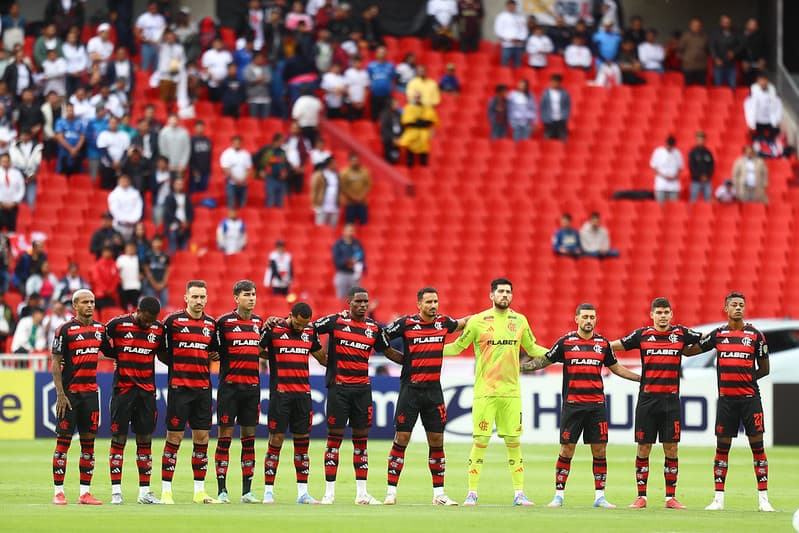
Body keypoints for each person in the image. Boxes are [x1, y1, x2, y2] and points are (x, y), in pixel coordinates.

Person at [522, 303, 640, 509]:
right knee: (567, 449)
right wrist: (519, 367)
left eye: (592, 317)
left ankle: (600, 496)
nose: (588, 320)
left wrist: (640, 378)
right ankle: (558, 495)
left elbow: (617, 368)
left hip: (596, 407)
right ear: (576, 319)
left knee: (600, 450)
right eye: (585, 317)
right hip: (573, 406)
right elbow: (543, 361)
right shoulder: (566, 342)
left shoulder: (603, 344)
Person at [443, 278, 548, 506]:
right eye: (500, 291)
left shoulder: (519, 321)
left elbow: (532, 349)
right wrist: (429, 349)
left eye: (508, 292)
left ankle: (519, 494)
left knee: (513, 442)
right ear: (491, 295)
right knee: (480, 441)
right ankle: (472, 493)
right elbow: (457, 346)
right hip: (485, 392)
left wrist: (558, 353)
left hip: (511, 392)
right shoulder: (478, 321)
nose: (505, 295)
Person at [683, 292, 774, 512]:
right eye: (734, 304)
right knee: (722, 447)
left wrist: (745, 381)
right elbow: (690, 352)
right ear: (725, 308)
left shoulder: (755, 335)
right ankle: (718, 499)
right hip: (726, 402)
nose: (738, 308)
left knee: (758, 447)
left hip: (750, 400)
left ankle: (763, 500)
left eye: (741, 305)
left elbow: (764, 368)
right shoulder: (718, 334)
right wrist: (679, 339)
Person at [609, 297, 702, 509]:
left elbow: (704, 341)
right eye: (658, 312)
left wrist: (692, 349)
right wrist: (596, 347)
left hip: (670, 401)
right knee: (644, 447)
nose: (662, 316)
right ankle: (641, 496)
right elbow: (614, 346)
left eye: (666, 312)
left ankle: (670, 497)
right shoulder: (642, 335)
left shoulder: (680, 333)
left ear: (671, 315)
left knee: (671, 448)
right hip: (647, 400)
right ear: (652, 315)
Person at [313, 286, 400, 505]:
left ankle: (362, 494)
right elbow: (309, 329)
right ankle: (329, 493)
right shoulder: (335, 321)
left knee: (361, 442)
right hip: (339, 389)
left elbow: (388, 351)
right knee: (334, 441)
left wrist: (412, 362)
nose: (362, 305)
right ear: (348, 303)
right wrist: (320, 356)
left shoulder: (373, 328)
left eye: (365, 302)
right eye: (358, 302)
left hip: (362, 390)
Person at [382, 287, 469, 506]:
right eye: (429, 302)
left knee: (437, 441)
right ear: (418, 304)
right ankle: (391, 492)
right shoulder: (406, 323)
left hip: (433, 391)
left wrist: (486, 316)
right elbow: (380, 337)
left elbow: (461, 323)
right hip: (410, 390)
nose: (433, 305)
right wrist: (399, 358)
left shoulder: (443, 322)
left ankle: (439, 493)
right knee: (401, 438)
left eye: (436, 301)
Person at [259, 301, 328, 504]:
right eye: (297, 324)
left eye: (304, 325)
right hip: (281, 395)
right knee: (275, 442)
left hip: (303, 396)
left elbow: (322, 358)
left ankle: (302, 493)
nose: (300, 328)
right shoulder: (274, 330)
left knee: (302, 445)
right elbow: (256, 350)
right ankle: (268, 492)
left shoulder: (309, 332)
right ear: (290, 315)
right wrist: (273, 355)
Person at [159, 280, 220, 505]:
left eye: (202, 297)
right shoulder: (172, 322)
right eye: (194, 296)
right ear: (186, 298)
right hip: (179, 389)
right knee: (174, 437)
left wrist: (214, 355)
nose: (198, 301)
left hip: (203, 390)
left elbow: (214, 351)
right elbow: (162, 353)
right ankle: (166, 491)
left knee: (202, 438)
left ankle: (199, 492)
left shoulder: (212, 324)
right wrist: (179, 367)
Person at [103, 297, 165, 505]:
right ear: (138, 311)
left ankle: (144, 492)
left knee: (145, 440)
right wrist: (116, 354)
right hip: (123, 391)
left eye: (152, 320)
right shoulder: (118, 324)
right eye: (146, 319)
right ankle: (116, 492)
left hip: (146, 392)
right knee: (118, 439)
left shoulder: (158, 329)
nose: (149, 324)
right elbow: (100, 339)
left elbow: (164, 353)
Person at [51, 289, 106, 505]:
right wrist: (60, 394)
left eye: (92, 301)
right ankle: (58, 492)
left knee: (88, 445)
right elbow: (55, 361)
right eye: (85, 302)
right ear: (75, 306)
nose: (90, 305)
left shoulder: (100, 330)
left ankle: (85, 493)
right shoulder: (64, 330)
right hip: (70, 396)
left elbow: (113, 350)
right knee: (63, 444)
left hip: (91, 395)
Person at [210, 280, 264, 504]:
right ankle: (222, 490)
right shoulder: (223, 322)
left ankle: (247, 491)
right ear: (236, 298)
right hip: (229, 388)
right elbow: (212, 348)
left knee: (248, 439)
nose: (251, 298)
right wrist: (213, 353)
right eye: (246, 294)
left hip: (251, 388)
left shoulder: (259, 322)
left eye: (253, 294)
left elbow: (261, 349)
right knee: (224, 438)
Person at [399, 91, 438, 167]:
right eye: (416, 97)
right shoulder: (409, 107)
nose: (417, 98)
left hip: (423, 132)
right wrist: (419, 122)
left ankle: (424, 164)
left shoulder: (426, 108)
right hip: (412, 131)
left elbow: (430, 120)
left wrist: (418, 122)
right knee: (410, 144)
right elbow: (407, 121)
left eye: (419, 97)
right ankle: (409, 163)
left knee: (424, 144)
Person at [9, 128, 43, 209]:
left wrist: (31, 176)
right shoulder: (14, 146)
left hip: (31, 177)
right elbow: (13, 162)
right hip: (18, 176)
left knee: (31, 201)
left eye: (26, 135)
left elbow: (37, 163)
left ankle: (30, 218)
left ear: (30, 136)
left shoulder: (37, 147)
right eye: (22, 135)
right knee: (17, 201)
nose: (24, 137)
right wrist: (20, 178)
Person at [163, 176, 194, 254]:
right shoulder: (169, 197)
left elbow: (191, 212)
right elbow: (168, 213)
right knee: (173, 250)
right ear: (174, 185)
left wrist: (188, 223)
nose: (179, 186)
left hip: (185, 228)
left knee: (184, 250)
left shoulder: (187, 197)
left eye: (181, 184)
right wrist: (180, 223)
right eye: (177, 184)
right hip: (173, 226)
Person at [332, 223, 365, 299]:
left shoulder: (357, 244)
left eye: (352, 230)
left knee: (355, 298)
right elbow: (336, 260)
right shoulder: (338, 244)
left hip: (354, 274)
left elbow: (361, 256)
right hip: (342, 273)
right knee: (341, 298)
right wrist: (347, 262)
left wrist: (357, 264)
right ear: (344, 231)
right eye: (349, 230)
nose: (351, 232)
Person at [220, 135, 253, 210]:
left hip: (243, 184)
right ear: (232, 143)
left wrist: (243, 180)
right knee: (231, 204)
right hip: (231, 183)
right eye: (235, 143)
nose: (237, 144)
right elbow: (225, 169)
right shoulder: (227, 154)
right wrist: (236, 180)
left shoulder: (246, 154)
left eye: (239, 143)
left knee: (242, 205)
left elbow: (249, 169)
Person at [339, 152, 371, 226]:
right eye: (353, 161)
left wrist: (361, 196)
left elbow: (367, 185)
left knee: (364, 224)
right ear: (349, 161)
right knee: (349, 224)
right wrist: (353, 197)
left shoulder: (364, 172)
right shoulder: (344, 173)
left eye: (357, 160)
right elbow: (343, 187)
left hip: (362, 202)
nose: (355, 162)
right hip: (350, 203)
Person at [709, 15, 741, 89]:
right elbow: (711, 47)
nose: (726, 24)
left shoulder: (736, 32)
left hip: (731, 64)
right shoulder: (715, 33)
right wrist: (716, 58)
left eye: (728, 23)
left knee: (732, 86)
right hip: (719, 64)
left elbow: (741, 45)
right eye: (724, 22)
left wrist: (734, 52)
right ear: (720, 23)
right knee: (718, 86)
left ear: (730, 23)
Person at [107, 174, 143, 240]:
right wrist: (124, 219)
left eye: (126, 180)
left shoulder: (135, 194)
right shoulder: (114, 194)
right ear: (118, 181)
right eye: (123, 180)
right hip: (119, 225)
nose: (125, 182)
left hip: (132, 225)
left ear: (129, 182)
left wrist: (133, 219)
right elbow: (114, 209)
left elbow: (138, 208)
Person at [54, 104, 85, 177]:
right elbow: (59, 138)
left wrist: (75, 149)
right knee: (62, 175)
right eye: (68, 110)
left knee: (77, 175)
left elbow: (82, 137)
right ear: (65, 111)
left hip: (76, 152)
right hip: (64, 153)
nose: (70, 112)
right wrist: (71, 149)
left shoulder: (80, 122)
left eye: (72, 110)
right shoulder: (60, 122)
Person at [494, 0, 527, 69]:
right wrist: (509, 39)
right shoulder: (502, 16)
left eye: (513, 6)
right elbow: (498, 30)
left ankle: (517, 77)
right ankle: (504, 77)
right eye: (510, 6)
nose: (512, 7)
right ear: (507, 6)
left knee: (517, 64)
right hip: (507, 44)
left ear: (515, 6)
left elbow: (524, 30)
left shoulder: (520, 17)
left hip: (518, 44)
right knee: (505, 63)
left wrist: (519, 39)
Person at [650, 136, 683, 203]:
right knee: (660, 208)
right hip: (661, 185)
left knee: (673, 209)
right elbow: (653, 166)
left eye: (671, 146)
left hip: (674, 186)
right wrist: (663, 175)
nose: (669, 147)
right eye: (668, 145)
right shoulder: (658, 151)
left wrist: (674, 175)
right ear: (665, 143)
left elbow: (680, 167)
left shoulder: (677, 153)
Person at [136, 1, 166, 72]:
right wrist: (146, 40)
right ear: (148, 7)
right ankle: (144, 82)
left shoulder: (161, 18)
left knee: (157, 67)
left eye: (155, 7)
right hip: (147, 45)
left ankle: (155, 82)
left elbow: (164, 32)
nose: (153, 8)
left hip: (158, 46)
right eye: (151, 7)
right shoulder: (143, 18)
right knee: (145, 67)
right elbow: (137, 32)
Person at [366, 46, 395, 121]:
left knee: (386, 117)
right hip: (375, 95)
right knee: (374, 116)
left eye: (383, 52)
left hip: (387, 96)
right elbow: (367, 79)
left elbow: (393, 79)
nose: (382, 54)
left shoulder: (390, 66)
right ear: (376, 54)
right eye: (380, 52)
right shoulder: (371, 66)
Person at [540, 74, 571, 141]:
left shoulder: (565, 94)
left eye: (557, 82)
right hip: (549, 120)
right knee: (548, 140)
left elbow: (567, 107)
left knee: (562, 140)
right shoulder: (546, 93)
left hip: (561, 120)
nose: (555, 84)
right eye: (553, 82)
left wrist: (564, 117)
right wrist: (544, 118)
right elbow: (543, 107)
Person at [678, 19, 709, 86]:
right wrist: (685, 59)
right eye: (694, 26)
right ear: (690, 26)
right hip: (689, 67)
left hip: (701, 67)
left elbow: (708, 50)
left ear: (701, 27)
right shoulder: (685, 37)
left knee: (701, 88)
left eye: (698, 26)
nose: (696, 27)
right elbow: (679, 50)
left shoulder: (705, 37)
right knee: (689, 88)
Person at [311, 156, 339, 227]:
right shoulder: (320, 175)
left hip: (334, 205)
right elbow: (314, 189)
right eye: (334, 163)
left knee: (332, 229)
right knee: (320, 228)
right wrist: (315, 203)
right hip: (322, 205)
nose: (336, 165)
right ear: (329, 164)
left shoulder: (336, 175)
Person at [687, 131, 715, 203]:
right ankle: (692, 213)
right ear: (696, 140)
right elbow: (691, 166)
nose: (700, 141)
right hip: (696, 180)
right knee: (693, 200)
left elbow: (711, 166)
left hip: (707, 180)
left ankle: (708, 213)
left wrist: (707, 176)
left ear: (704, 140)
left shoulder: (708, 152)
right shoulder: (693, 152)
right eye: (699, 139)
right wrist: (699, 176)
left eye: (702, 139)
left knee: (708, 200)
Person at [0, 153, 24, 232]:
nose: (5, 163)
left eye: (6, 161)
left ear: (10, 162)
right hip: (1, 205)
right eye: (3, 161)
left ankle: (11, 243)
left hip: (13, 205)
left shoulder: (16, 174)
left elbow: (21, 188)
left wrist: (15, 202)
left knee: (12, 227)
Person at [142, 235, 170, 306]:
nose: (157, 244)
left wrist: (163, 283)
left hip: (162, 284)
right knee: (151, 304)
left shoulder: (165, 255)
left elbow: (167, 270)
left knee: (165, 303)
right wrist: (154, 284)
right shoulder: (148, 255)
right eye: (155, 242)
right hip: (150, 284)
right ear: (152, 243)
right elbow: (147, 271)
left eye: (159, 242)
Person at [116, 241, 141, 311]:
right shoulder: (121, 258)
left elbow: (142, 270)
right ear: (125, 249)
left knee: (135, 307)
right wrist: (119, 279)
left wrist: (141, 275)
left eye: (132, 248)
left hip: (135, 286)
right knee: (124, 307)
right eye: (129, 248)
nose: (131, 249)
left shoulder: (138, 259)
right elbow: (117, 271)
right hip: (124, 286)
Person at [343, 56, 370, 121]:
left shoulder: (364, 73)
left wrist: (363, 101)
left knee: (359, 121)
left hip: (361, 102)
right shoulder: (348, 72)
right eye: (356, 62)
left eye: (359, 62)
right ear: (353, 63)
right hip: (351, 102)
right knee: (351, 121)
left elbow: (366, 89)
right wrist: (352, 101)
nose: (358, 64)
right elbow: (346, 88)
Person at [188, 121, 212, 193]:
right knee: (194, 191)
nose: (200, 129)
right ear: (195, 128)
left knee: (203, 191)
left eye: (201, 127)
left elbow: (209, 156)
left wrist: (209, 170)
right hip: (195, 171)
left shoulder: (207, 140)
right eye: (198, 127)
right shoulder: (191, 140)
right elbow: (189, 156)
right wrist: (193, 169)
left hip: (205, 171)